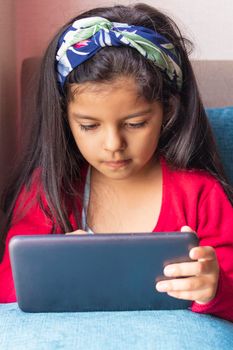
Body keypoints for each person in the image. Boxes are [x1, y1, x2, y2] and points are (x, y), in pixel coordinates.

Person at [0, 3, 232, 322]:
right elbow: (7, 290)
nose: (113, 145)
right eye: (89, 126)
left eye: (135, 123)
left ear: (168, 111)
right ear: (64, 118)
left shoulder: (200, 194)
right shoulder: (48, 188)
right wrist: (49, 271)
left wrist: (215, 287)